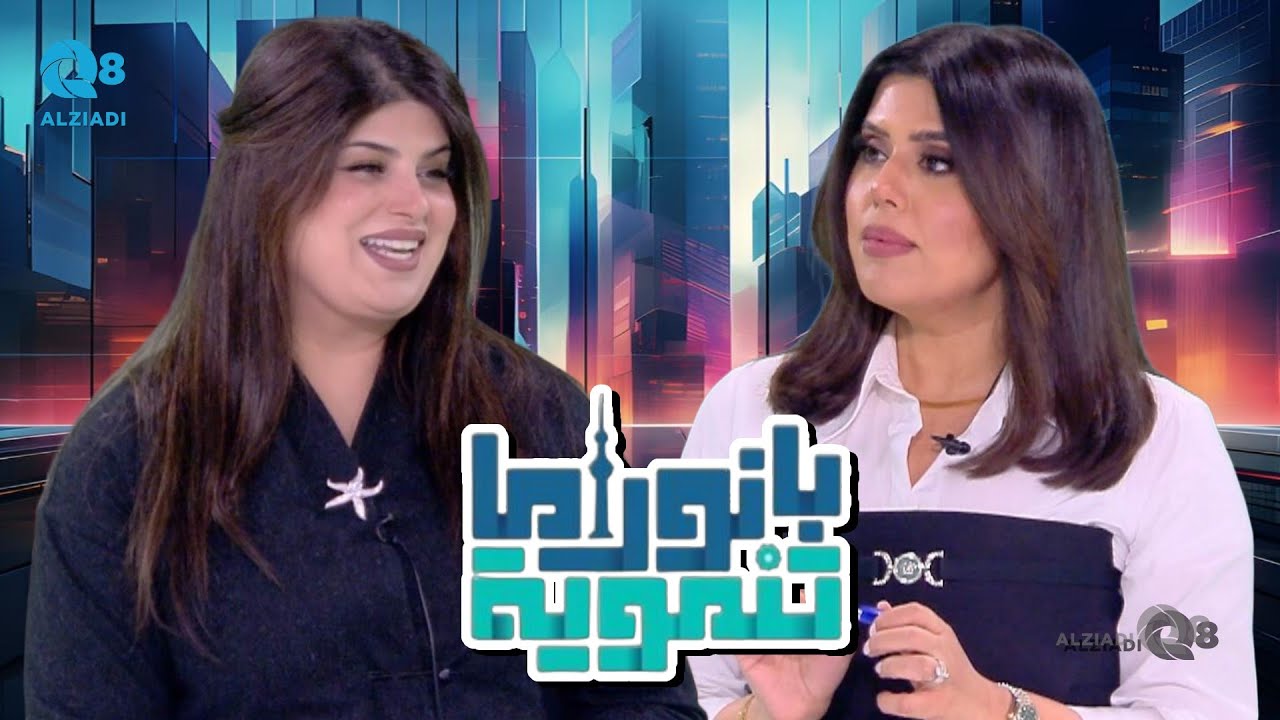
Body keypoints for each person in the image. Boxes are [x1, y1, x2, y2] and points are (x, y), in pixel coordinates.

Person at [24, 17, 703, 720]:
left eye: (435, 172)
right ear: (267, 185)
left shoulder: (541, 415)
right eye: (367, 166)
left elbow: (648, 701)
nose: (414, 204)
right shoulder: (125, 464)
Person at [682, 22, 1256, 720]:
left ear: (1041, 193)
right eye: (871, 151)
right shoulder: (752, 413)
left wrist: (1002, 711)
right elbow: (683, 700)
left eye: (937, 162)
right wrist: (772, 713)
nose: (880, 189)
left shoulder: (1156, 435)